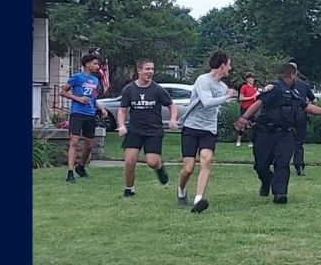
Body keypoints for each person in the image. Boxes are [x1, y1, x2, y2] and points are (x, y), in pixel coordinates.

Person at [234, 63, 321, 204]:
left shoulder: (294, 93)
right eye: (296, 75)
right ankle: (267, 180)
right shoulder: (274, 88)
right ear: (292, 75)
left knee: (282, 163)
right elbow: (258, 103)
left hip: (285, 133)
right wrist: (244, 118)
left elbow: (307, 107)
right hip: (265, 132)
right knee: (261, 165)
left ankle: (280, 194)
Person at [176, 51, 237, 213]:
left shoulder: (223, 87)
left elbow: (220, 105)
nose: (230, 69)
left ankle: (198, 199)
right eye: (229, 65)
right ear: (222, 65)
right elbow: (207, 102)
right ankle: (181, 190)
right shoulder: (202, 80)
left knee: (206, 161)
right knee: (188, 168)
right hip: (191, 127)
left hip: (209, 129)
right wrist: (226, 98)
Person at [117, 59, 178, 198]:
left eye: (152, 69)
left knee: (152, 162)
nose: (150, 72)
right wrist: (121, 125)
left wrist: (173, 119)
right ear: (139, 70)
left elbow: (171, 105)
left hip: (153, 131)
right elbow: (122, 110)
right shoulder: (129, 89)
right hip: (134, 130)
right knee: (129, 161)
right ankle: (129, 189)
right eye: (147, 69)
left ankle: (159, 167)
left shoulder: (157, 89)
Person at [59, 54, 109, 183]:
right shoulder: (77, 77)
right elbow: (63, 91)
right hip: (77, 113)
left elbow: (93, 99)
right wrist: (78, 99)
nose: (97, 66)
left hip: (90, 114)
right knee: (74, 142)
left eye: (98, 64)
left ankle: (81, 167)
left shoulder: (95, 80)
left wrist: (101, 108)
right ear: (87, 64)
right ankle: (70, 173)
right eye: (95, 64)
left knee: (89, 146)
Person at [290, 63, 317, 176]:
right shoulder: (303, 85)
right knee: (298, 143)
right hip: (301, 115)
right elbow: (314, 100)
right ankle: (299, 166)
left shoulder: (280, 85)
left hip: (286, 116)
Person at [235, 72, 259, 148]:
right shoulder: (244, 87)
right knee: (243, 125)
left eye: (251, 78)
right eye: (249, 78)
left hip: (252, 109)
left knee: (252, 125)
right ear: (246, 79)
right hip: (244, 108)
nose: (250, 79)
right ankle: (238, 141)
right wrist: (252, 97)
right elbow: (241, 98)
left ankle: (251, 141)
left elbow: (255, 99)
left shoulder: (255, 89)